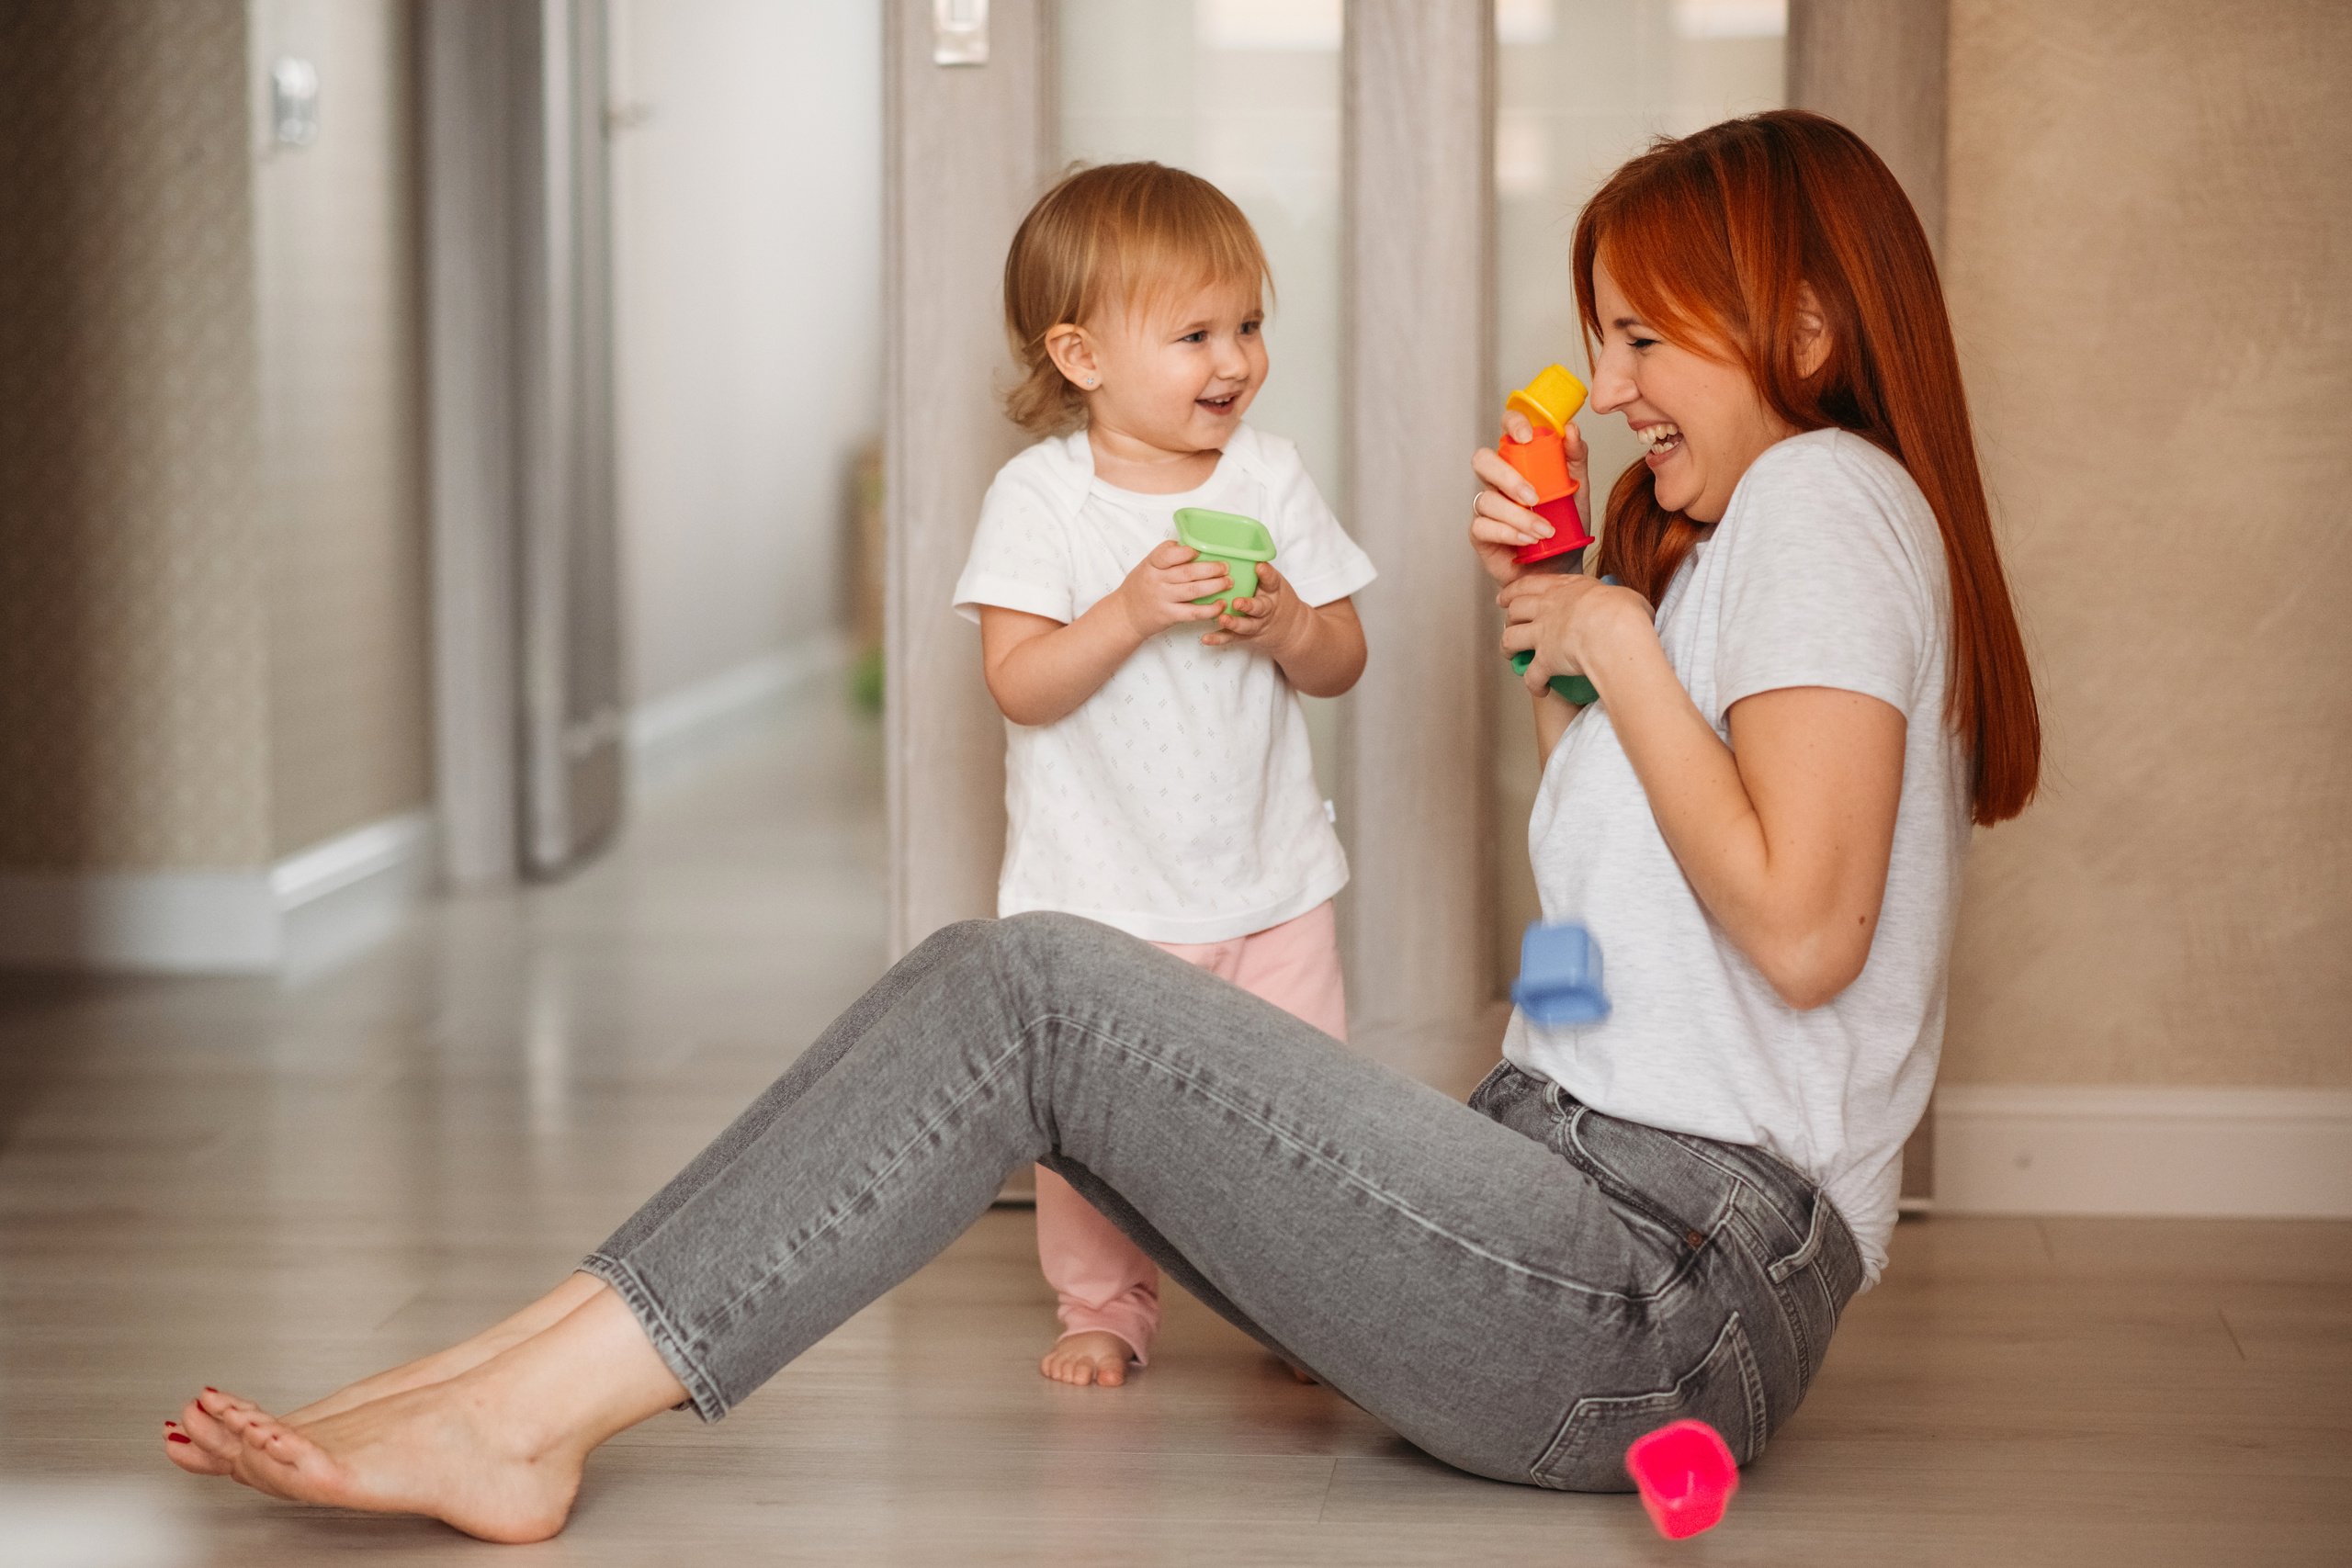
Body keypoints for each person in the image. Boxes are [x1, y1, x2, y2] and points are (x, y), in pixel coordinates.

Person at [159, 111, 2040, 1546]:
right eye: (1600, 340)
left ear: (1796, 320)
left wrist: (1611, 635)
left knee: (1031, 989)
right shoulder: (1732, 542)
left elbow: (1799, 930)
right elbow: (1674, 870)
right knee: (1035, 1002)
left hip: (1652, 1288)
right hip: (1561, 1197)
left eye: (1645, 339)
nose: (1611, 388)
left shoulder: (1826, 502)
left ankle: (517, 1407)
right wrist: (1586, 603)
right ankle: (488, 1375)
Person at [954, 162, 1372, 1387]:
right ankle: (1104, 1306)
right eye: (1194, 335)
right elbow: (1019, 681)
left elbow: (1343, 660)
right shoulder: (1041, 500)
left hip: (1272, 878)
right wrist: (1130, 611)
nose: (1234, 359)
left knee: (1306, 1116)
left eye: (1247, 325)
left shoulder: (1271, 478)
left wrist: (1293, 624)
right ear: (1081, 357)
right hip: (1102, 891)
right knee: (1095, 1120)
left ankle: (1306, 1311)